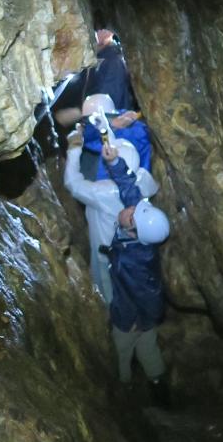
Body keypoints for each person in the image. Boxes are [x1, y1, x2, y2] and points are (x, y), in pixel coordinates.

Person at [103, 141, 171, 404]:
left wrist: (137, 321)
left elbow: (149, 293)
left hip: (130, 315)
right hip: (142, 314)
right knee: (148, 347)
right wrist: (114, 162)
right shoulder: (139, 226)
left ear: (133, 232)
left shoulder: (135, 262)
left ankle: (125, 392)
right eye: (134, 210)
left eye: (131, 217)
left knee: (122, 350)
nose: (129, 211)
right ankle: (158, 384)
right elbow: (130, 189)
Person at [62, 121, 141, 304]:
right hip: (128, 251)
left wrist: (74, 148)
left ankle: (113, 323)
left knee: (107, 290)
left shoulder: (104, 192)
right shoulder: (138, 182)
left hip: (105, 251)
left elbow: (72, 183)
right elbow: (121, 167)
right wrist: (103, 125)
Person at [55, 28, 139, 130]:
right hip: (96, 126)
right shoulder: (95, 59)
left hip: (113, 131)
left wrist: (78, 113)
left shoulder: (113, 62)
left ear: (109, 33)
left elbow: (108, 104)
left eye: (99, 29)